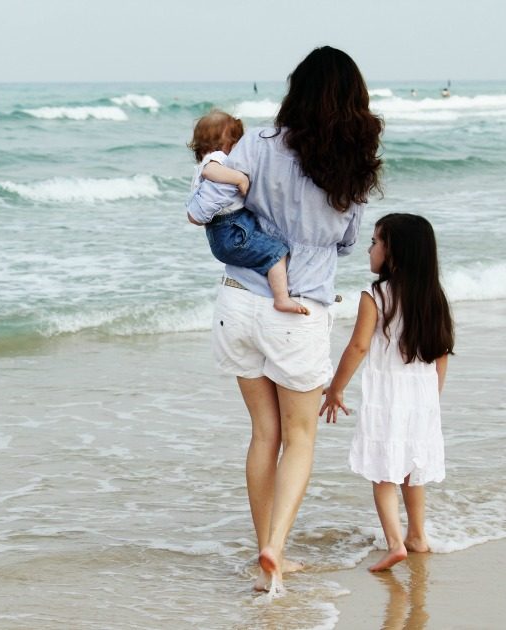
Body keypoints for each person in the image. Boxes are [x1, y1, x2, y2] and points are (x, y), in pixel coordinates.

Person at [186, 46, 383, 593]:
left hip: (236, 301)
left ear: (296, 91)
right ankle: (277, 547)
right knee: (299, 437)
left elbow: (208, 200)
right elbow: (346, 240)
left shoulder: (258, 144)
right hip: (297, 308)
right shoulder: (353, 161)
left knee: (262, 433)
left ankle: (261, 552)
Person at [320, 213, 454, 572]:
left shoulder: (375, 295)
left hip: (388, 397)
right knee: (413, 468)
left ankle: (395, 543)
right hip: (423, 398)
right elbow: (442, 353)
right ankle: (417, 536)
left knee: (384, 472)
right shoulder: (434, 297)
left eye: (376, 242)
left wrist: (335, 389)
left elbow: (358, 347)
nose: (369, 248)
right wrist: (432, 399)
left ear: (393, 252)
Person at [188, 109, 308, 315]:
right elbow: (212, 171)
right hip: (231, 229)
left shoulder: (202, 165)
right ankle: (281, 299)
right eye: (237, 141)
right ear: (227, 144)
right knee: (277, 253)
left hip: (224, 232)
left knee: (265, 251)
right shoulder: (216, 160)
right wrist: (240, 179)